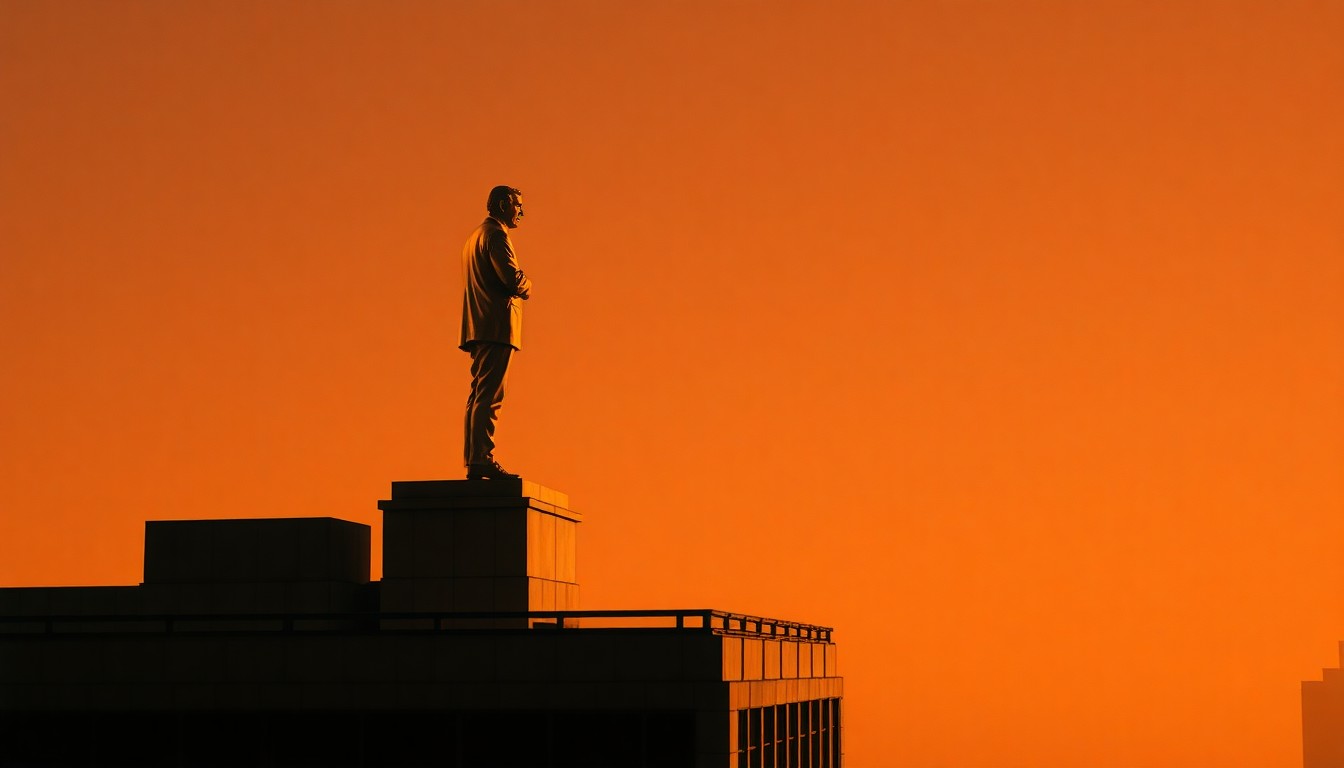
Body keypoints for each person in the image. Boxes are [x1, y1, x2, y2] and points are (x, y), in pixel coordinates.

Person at [460, 185, 532, 480]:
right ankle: (482, 458)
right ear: (503, 205)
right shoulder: (496, 235)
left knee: (480, 394)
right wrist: (529, 285)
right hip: (496, 326)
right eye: (518, 205)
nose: (521, 212)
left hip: (480, 326)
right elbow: (512, 279)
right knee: (490, 396)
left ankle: (476, 457)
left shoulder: (475, 237)